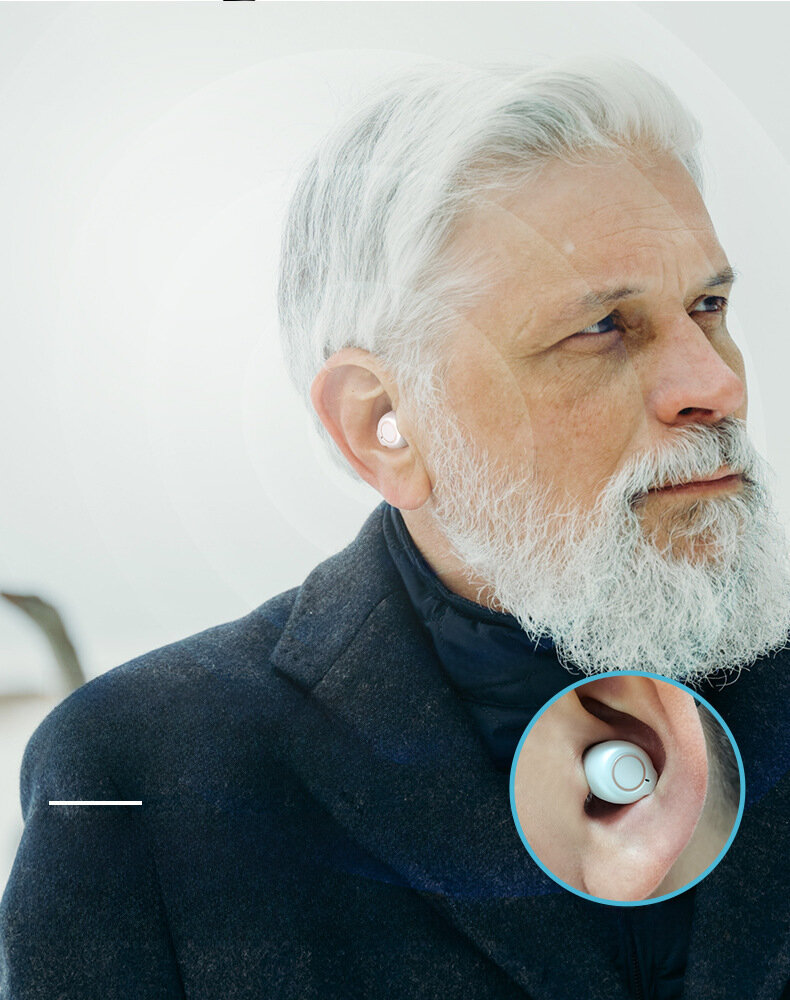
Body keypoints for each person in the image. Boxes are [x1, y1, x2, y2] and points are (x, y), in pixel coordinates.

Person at [2, 56, 790, 1000]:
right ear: (383, 423)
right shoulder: (138, 776)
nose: (717, 384)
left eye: (708, 306)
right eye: (602, 329)